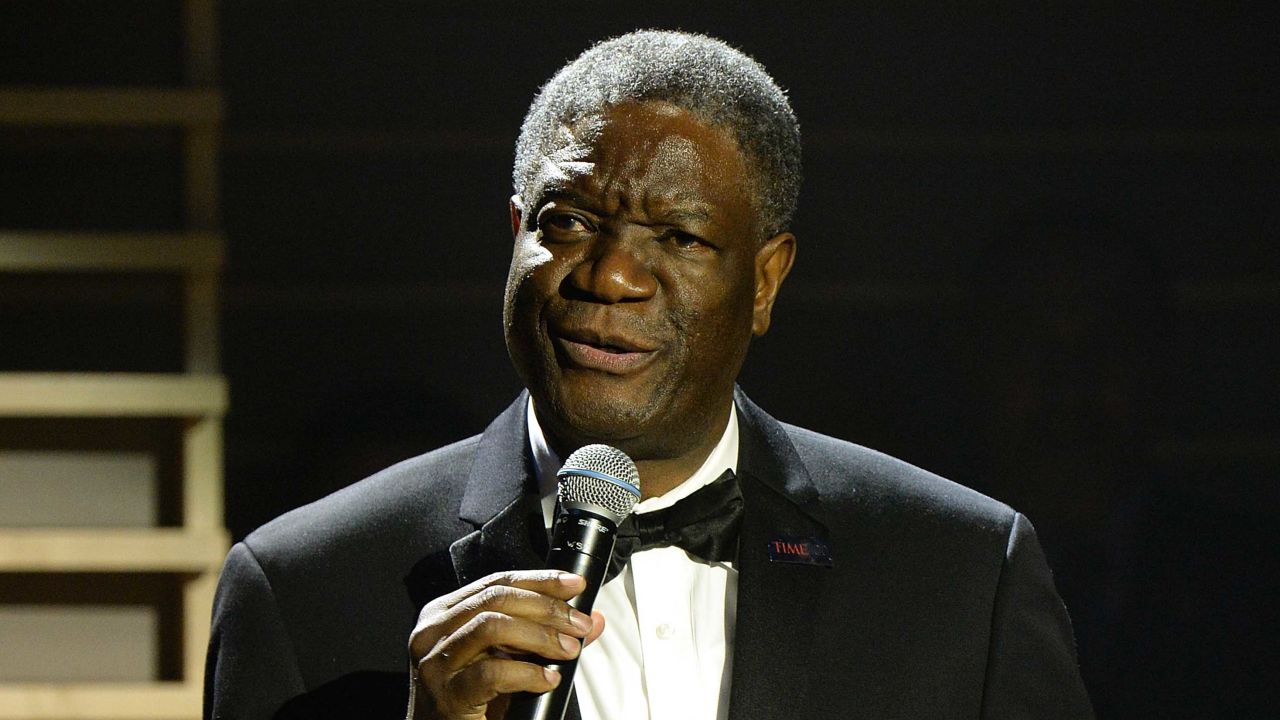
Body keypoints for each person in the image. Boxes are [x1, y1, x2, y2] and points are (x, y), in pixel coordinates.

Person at [205, 31, 1093, 720]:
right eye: (569, 220)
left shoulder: (963, 573)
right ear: (515, 233)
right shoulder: (301, 589)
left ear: (765, 280)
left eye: (680, 237)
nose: (610, 277)